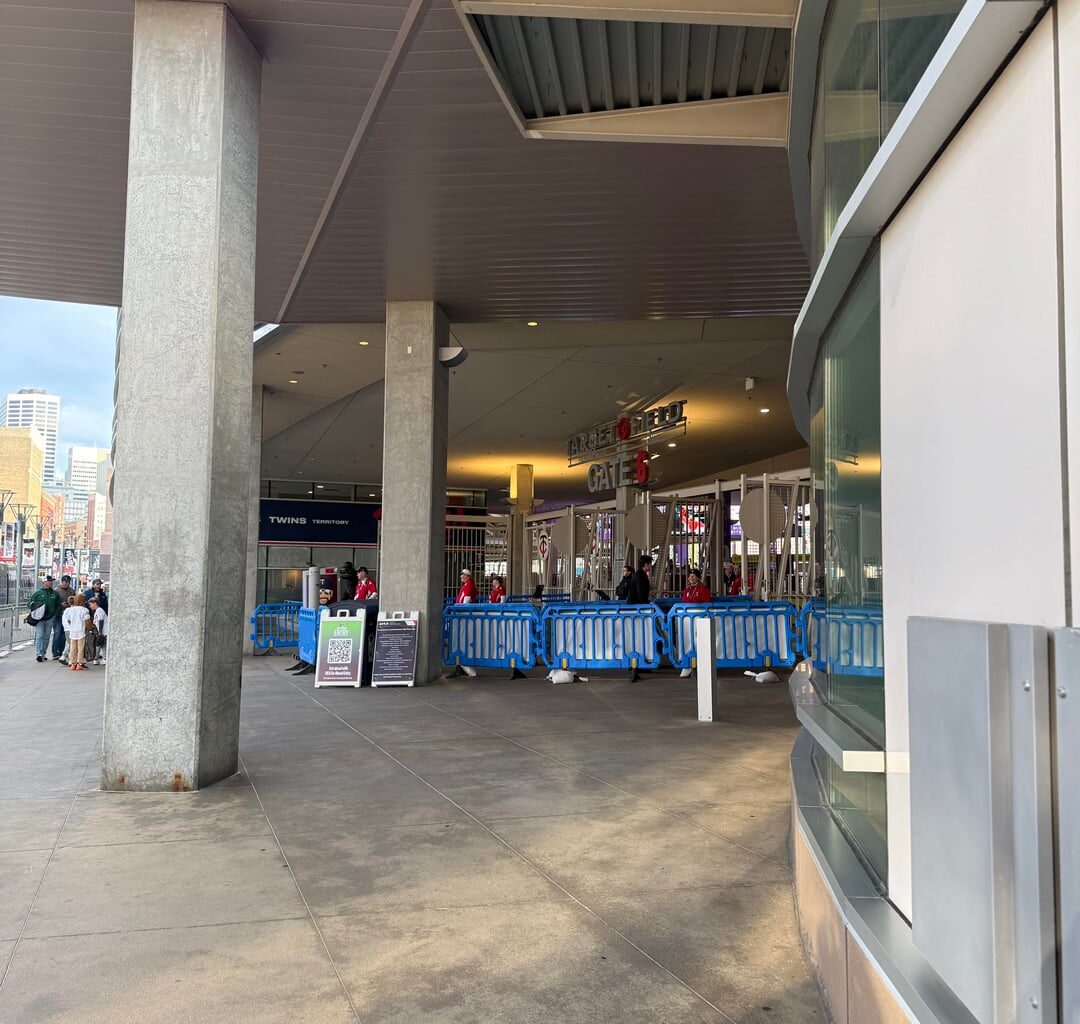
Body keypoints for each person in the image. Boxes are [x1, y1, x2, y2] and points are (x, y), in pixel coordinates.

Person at [679, 568, 712, 677]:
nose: (691, 578)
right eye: (690, 576)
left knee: (699, 641)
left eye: (693, 576)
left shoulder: (703, 589)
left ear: (697, 577)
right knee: (686, 640)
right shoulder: (687, 590)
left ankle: (701, 663)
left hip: (700, 619)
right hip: (687, 621)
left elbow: (707, 604)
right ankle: (686, 663)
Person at [27, 576, 62, 663]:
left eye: (51, 581)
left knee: (46, 636)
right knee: (39, 636)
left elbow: (58, 605)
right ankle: (39, 653)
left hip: (50, 618)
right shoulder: (37, 593)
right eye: (49, 581)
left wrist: (54, 614)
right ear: (44, 582)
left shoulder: (55, 594)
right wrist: (34, 607)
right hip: (40, 619)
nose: (51, 582)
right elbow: (30, 603)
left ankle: (43, 653)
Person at [456, 569, 479, 676]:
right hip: (463, 615)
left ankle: (465, 664)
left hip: (464, 616)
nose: (460, 576)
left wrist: (459, 610)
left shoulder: (469, 585)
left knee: (462, 639)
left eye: (462, 575)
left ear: (467, 576)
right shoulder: (467, 584)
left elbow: (467, 600)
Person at [62, 594, 91, 671]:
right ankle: (79, 663)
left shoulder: (70, 610)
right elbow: (87, 621)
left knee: (73, 647)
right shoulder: (84, 610)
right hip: (81, 630)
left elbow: (68, 620)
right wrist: (90, 629)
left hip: (72, 630)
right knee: (80, 648)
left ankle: (72, 663)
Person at [53, 574, 76, 660]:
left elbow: (74, 600)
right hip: (58, 615)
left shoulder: (72, 591)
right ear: (61, 582)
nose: (66, 583)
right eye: (64, 581)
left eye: (67, 582)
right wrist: (60, 605)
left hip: (68, 616)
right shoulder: (56, 590)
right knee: (57, 633)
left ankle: (62, 651)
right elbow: (53, 602)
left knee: (65, 635)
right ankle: (55, 652)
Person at [88, 597, 108, 665]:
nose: (90, 606)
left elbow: (100, 620)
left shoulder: (99, 610)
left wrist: (100, 632)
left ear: (95, 603)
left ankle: (102, 659)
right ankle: (99, 658)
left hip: (103, 631)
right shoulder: (98, 611)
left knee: (101, 645)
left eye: (91, 604)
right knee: (101, 645)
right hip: (102, 631)